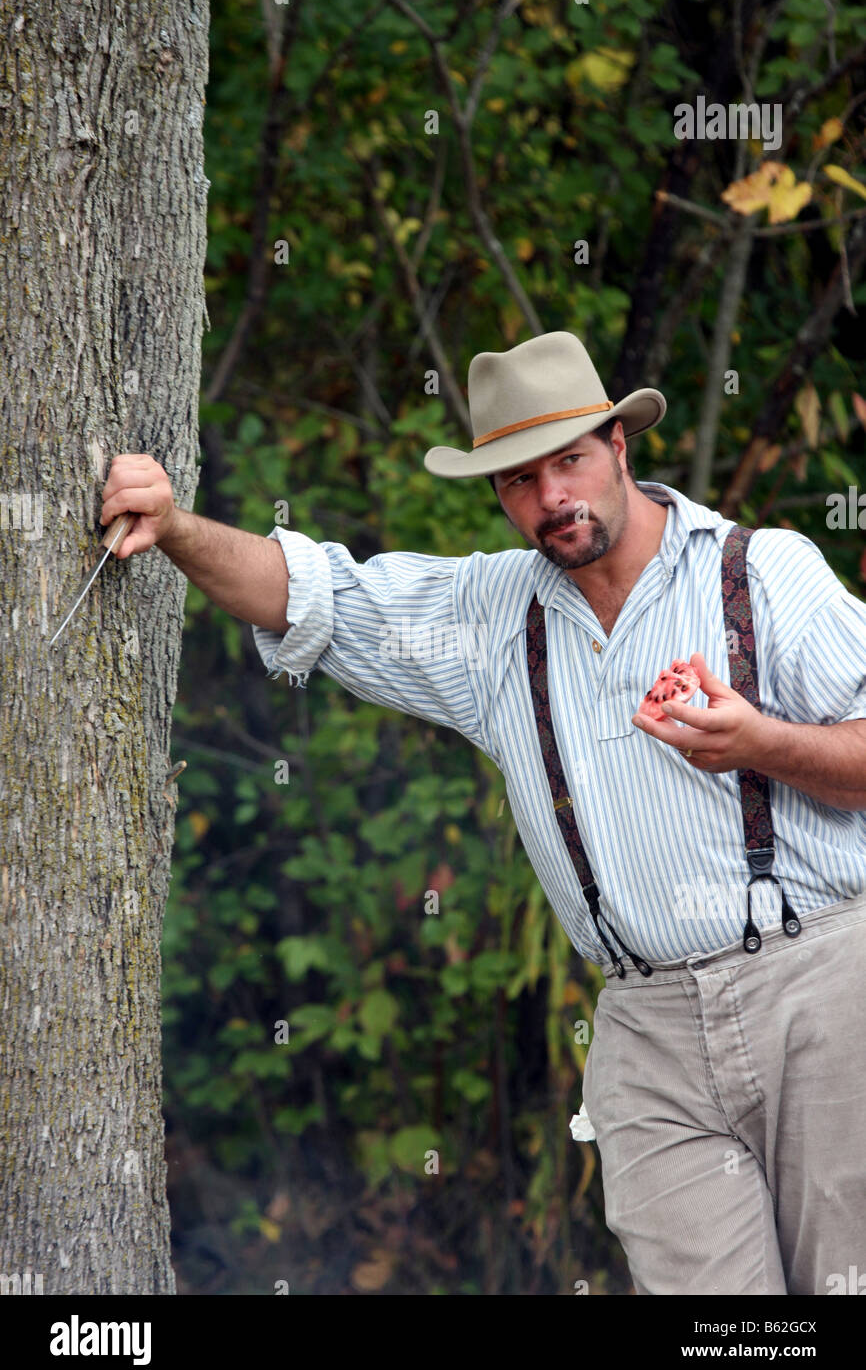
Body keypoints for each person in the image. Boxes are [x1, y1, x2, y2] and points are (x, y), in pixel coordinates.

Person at [100, 330, 866, 1295]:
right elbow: (309, 594)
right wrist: (172, 526)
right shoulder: (495, 613)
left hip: (824, 992)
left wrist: (761, 741)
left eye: (570, 462)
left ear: (620, 449)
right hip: (649, 1030)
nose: (550, 499)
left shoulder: (763, 574)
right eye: (516, 479)